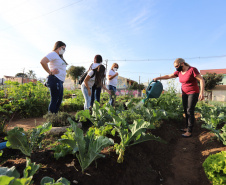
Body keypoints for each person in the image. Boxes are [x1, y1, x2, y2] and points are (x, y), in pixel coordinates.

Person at [153, 58, 205, 138]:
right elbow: (169, 76)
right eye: (175, 66)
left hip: (193, 92)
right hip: (184, 93)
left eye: (177, 66)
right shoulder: (179, 72)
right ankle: (187, 127)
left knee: (189, 110)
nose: (176, 68)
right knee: (185, 110)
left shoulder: (192, 70)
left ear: (182, 63)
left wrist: (201, 92)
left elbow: (201, 80)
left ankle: (189, 131)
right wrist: (158, 78)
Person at [40, 41, 67, 114]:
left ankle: (55, 118)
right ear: (58, 47)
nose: (64, 50)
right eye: (63, 48)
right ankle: (51, 119)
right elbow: (43, 61)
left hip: (60, 81)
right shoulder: (53, 54)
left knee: (59, 100)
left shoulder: (59, 57)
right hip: (55, 79)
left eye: (65, 49)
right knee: (55, 100)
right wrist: (50, 72)